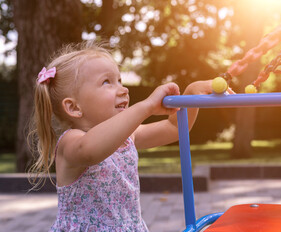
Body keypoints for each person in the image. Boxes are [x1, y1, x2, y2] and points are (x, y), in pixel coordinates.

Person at [28, 41, 212, 231]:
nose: (123, 89)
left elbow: (174, 128)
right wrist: (146, 106)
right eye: (106, 82)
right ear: (74, 107)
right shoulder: (71, 142)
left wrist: (191, 93)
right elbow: (91, 151)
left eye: (120, 80)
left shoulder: (128, 136)